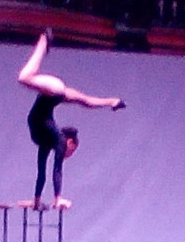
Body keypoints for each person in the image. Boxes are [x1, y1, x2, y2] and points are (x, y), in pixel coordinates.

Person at [18, 28, 126, 210]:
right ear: (70, 143)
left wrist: (36, 202)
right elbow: (57, 170)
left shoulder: (48, 141)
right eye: (72, 151)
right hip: (54, 90)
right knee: (24, 78)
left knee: (84, 100)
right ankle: (44, 40)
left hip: (53, 94)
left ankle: (112, 101)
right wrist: (58, 199)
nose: (69, 155)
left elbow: (41, 172)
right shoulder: (59, 141)